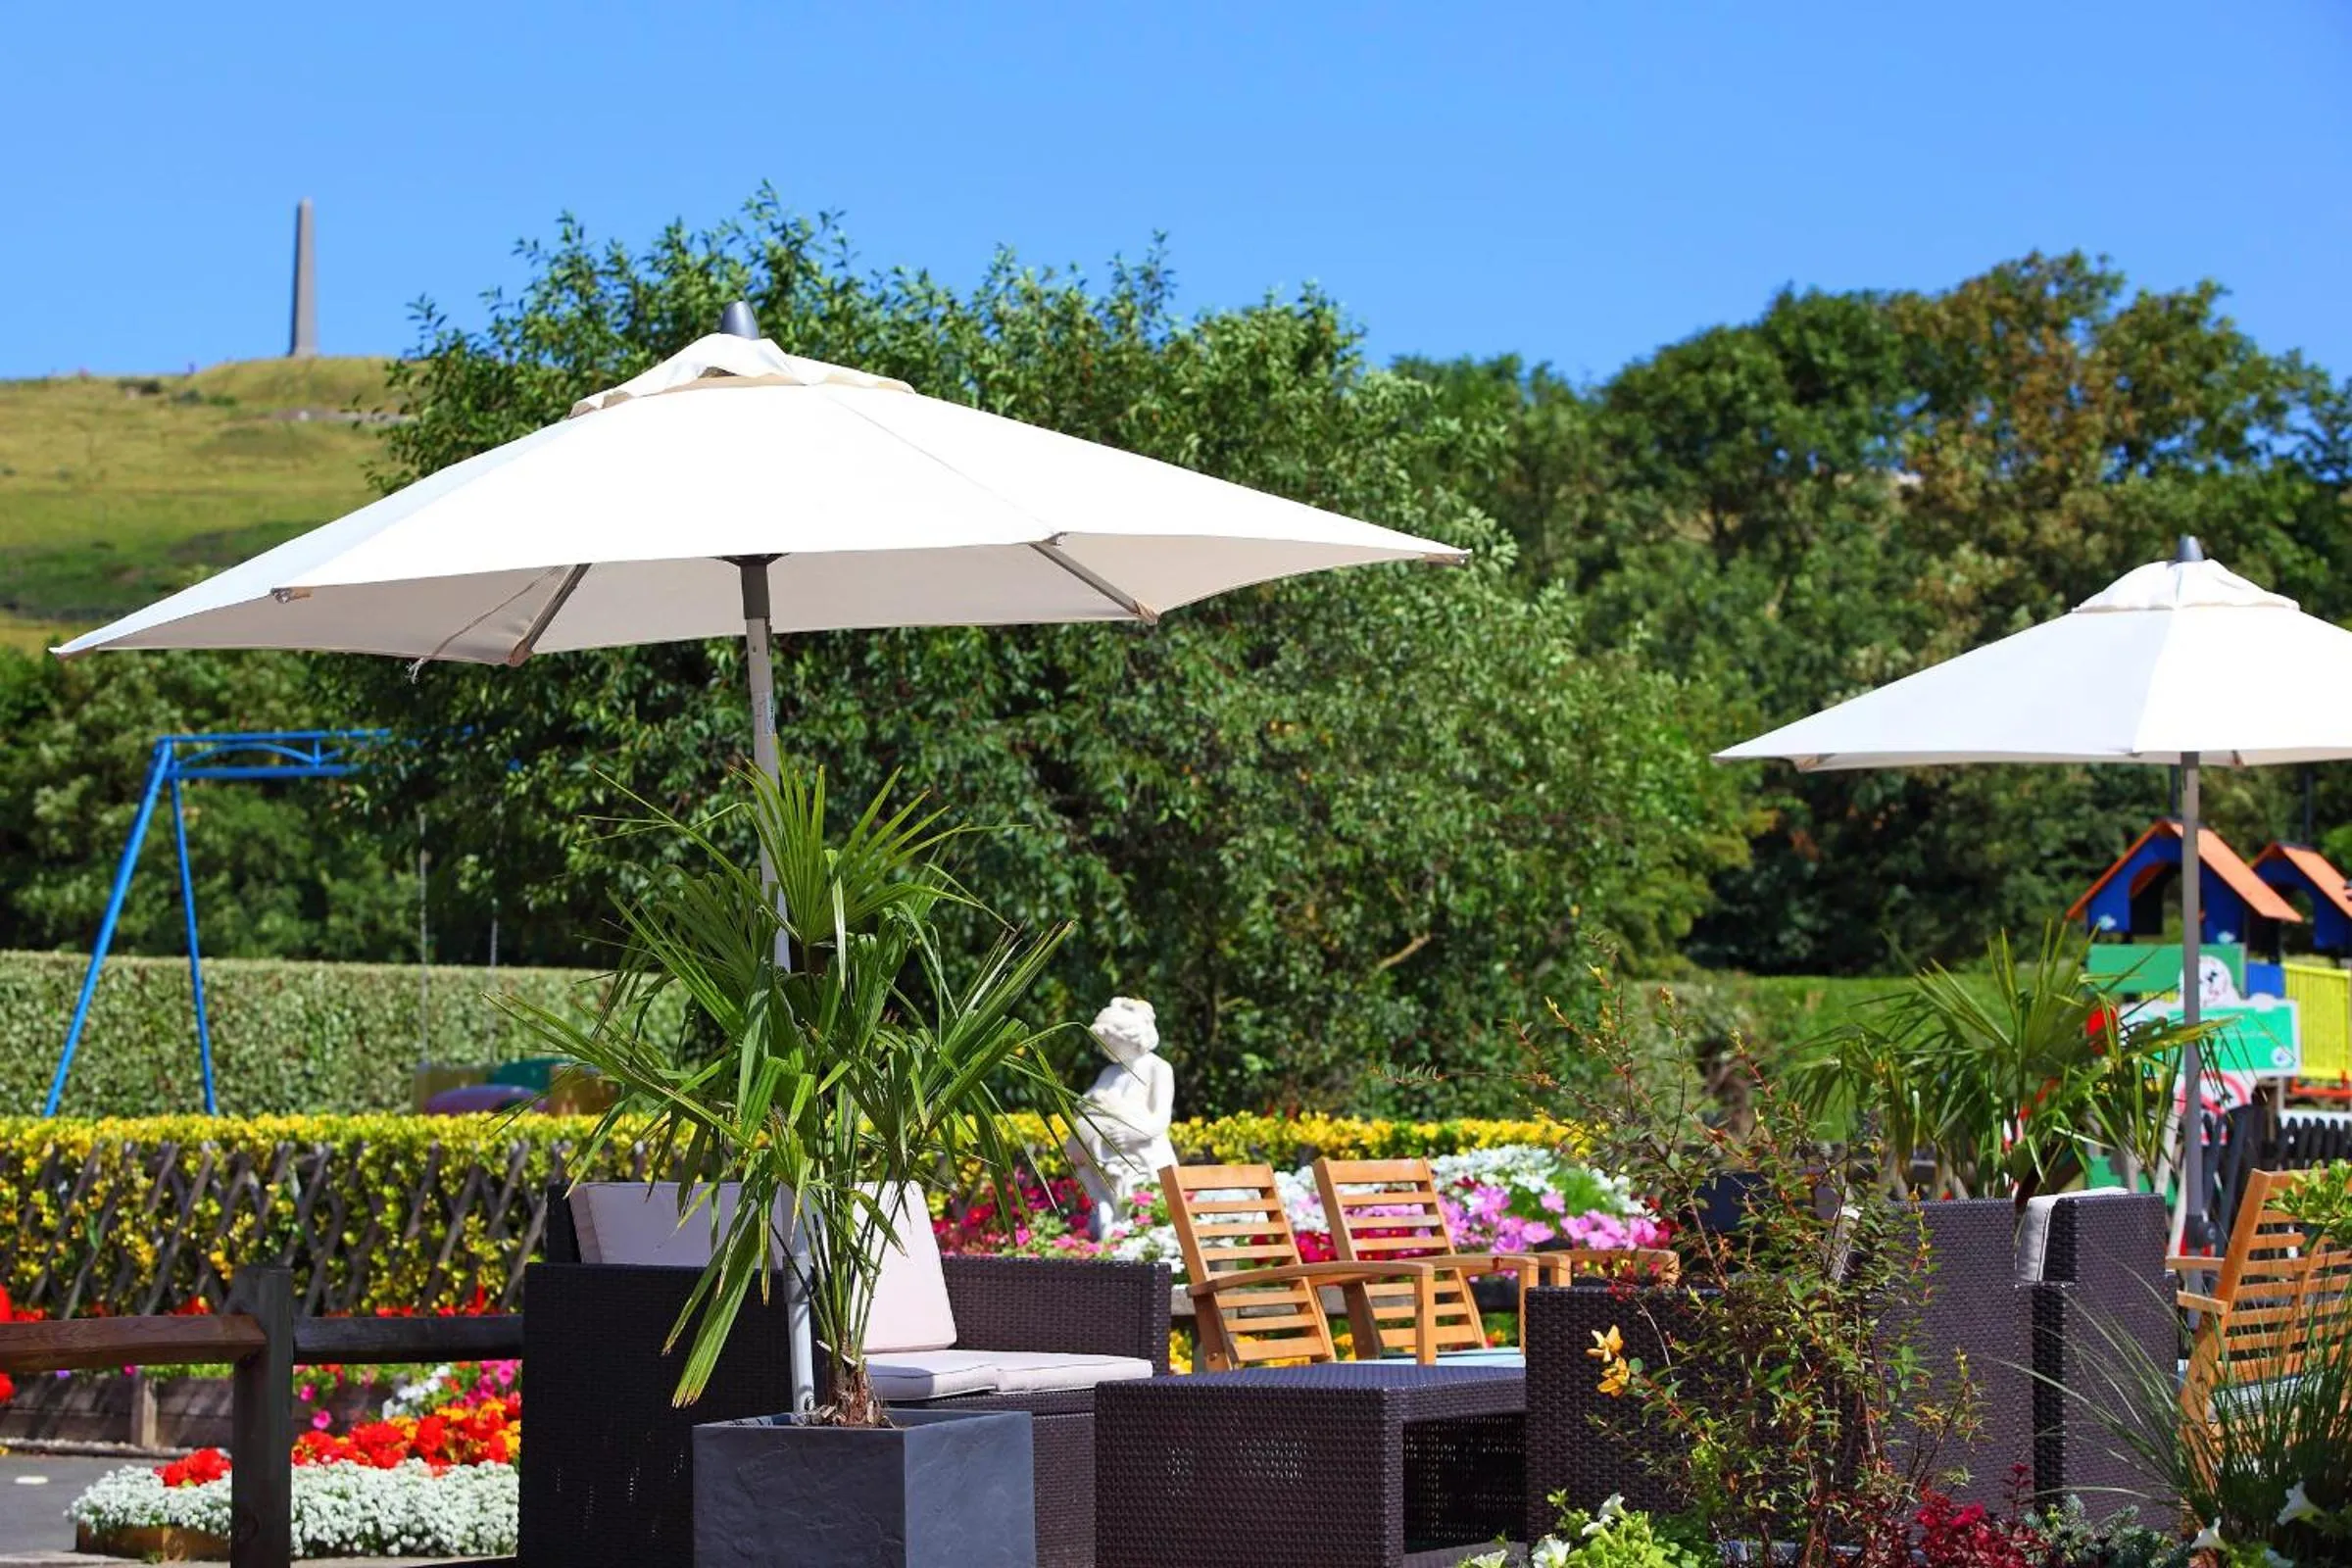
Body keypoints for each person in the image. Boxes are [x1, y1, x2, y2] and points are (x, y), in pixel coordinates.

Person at [1064, 997, 1176, 1239]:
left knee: (1132, 1207)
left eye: (1110, 1042)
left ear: (1131, 1038)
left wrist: (1130, 1132)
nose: (1105, 1048)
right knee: (1076, 1154)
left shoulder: (1157, 1068)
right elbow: (1082, 1105)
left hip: (1137, 1152)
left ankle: (1126, 1228)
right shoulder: (1109, 1072)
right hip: (1099, 1156)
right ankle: (1103, 1210)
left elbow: (1160, 1119)